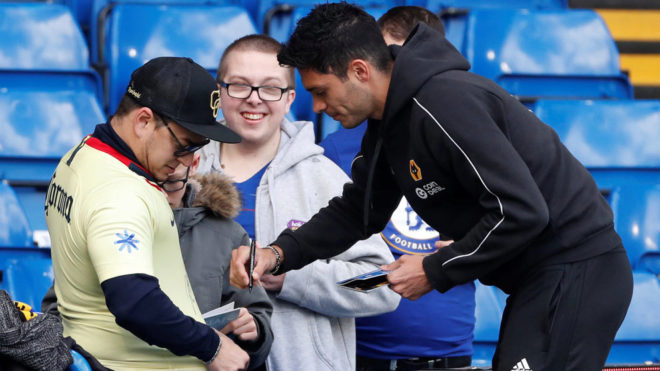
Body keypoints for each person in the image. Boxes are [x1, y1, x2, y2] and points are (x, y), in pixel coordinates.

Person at [230, 4, 634, 371]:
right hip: (538, 280)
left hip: (577, 269)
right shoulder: (389, 124)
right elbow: (357, 213)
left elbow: (521, 211)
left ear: (359, 71)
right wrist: (278, 253)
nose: (317, 107)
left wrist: (433, 269)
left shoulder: (444, 102)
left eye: (321, 92)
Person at [198, 34, 401, 371]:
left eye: (270, 88)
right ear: (220, 91)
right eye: (239, 85)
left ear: (290, 98)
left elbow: (381, 284)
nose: (254, 99)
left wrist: (291, 280)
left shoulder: (325, 180)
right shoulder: (182, 174)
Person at [45, 56, 249, 370]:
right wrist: (213, 346)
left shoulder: (80, 156)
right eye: (184, 145)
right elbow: (134, 301)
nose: (187, 162)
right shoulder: (121, 191)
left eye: (198, 148)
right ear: (143, 121)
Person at [319, 6, 475, 370]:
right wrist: (390, 275)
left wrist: (473, 251)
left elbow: (515, 238)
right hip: (365, 356)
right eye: (388, 60)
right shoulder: (340, 147)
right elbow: (330, 268)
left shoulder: (465, 133)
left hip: (452, 358)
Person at [165, 155, 273, 370]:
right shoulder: (109, 222)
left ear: (193, 165)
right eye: (146, 180)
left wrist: (254, 331)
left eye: (171, 183)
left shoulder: (227, 234)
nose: (159, 193)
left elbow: (255, 311)